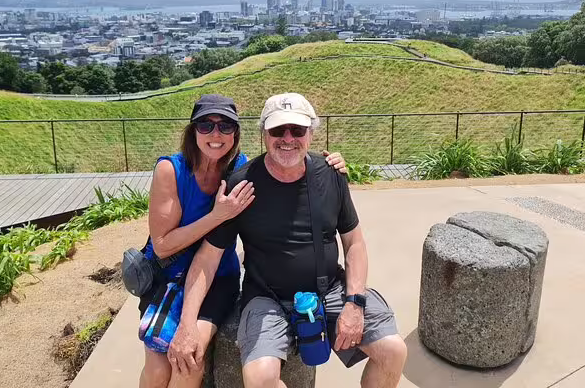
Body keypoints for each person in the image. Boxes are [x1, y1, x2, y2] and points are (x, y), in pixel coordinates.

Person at [170, 93, 407, 388]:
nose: (287, 138)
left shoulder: (330, 174)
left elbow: (354, 242)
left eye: (297, 130)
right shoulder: (242, 184)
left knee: (393, 351)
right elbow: (209, 257)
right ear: (264, 134)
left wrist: (354, 303)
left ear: (311, 133)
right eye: (277, 130)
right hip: (266, 297)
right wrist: (187, 324)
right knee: (260, 378)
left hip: (330, 288)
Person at [140, 94, 347, 388]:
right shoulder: (170, 170)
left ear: (236, 133)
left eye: (225, 126)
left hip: (216, 277)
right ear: (193, 130)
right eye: (206, 125)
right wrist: (217, 216)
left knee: (188, 361)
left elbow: (288, 171)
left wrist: (330, 165)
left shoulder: (240, 169)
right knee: (158, 368)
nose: (216, 134)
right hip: (169, 277)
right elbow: (161, 245)